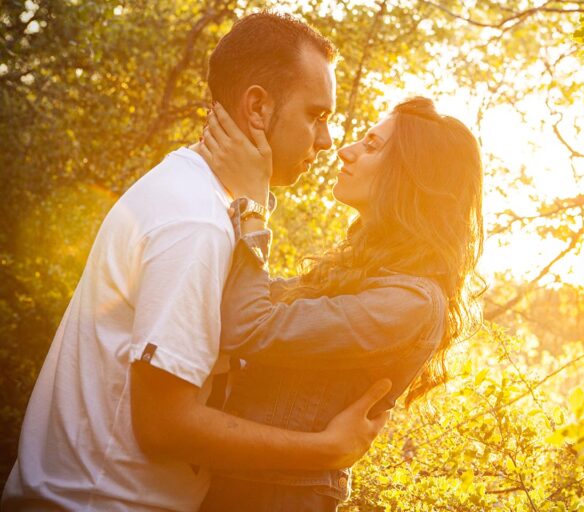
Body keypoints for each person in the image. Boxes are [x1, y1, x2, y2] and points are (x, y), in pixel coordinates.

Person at [2, 12, 392, 512]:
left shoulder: (202, 198)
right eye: (316, 115)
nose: (327, 140)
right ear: (257, 107)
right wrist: (326, 450)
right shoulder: (195, 220)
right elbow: (164, 426)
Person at [195, 96, 485, 511]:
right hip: (243, 484)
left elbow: (248, 324)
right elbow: (249, 296)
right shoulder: (363, 270)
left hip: (278, 498)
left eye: (371, 145)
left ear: (411, 173)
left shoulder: (410, 303)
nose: (346, 150)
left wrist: (253, 200)